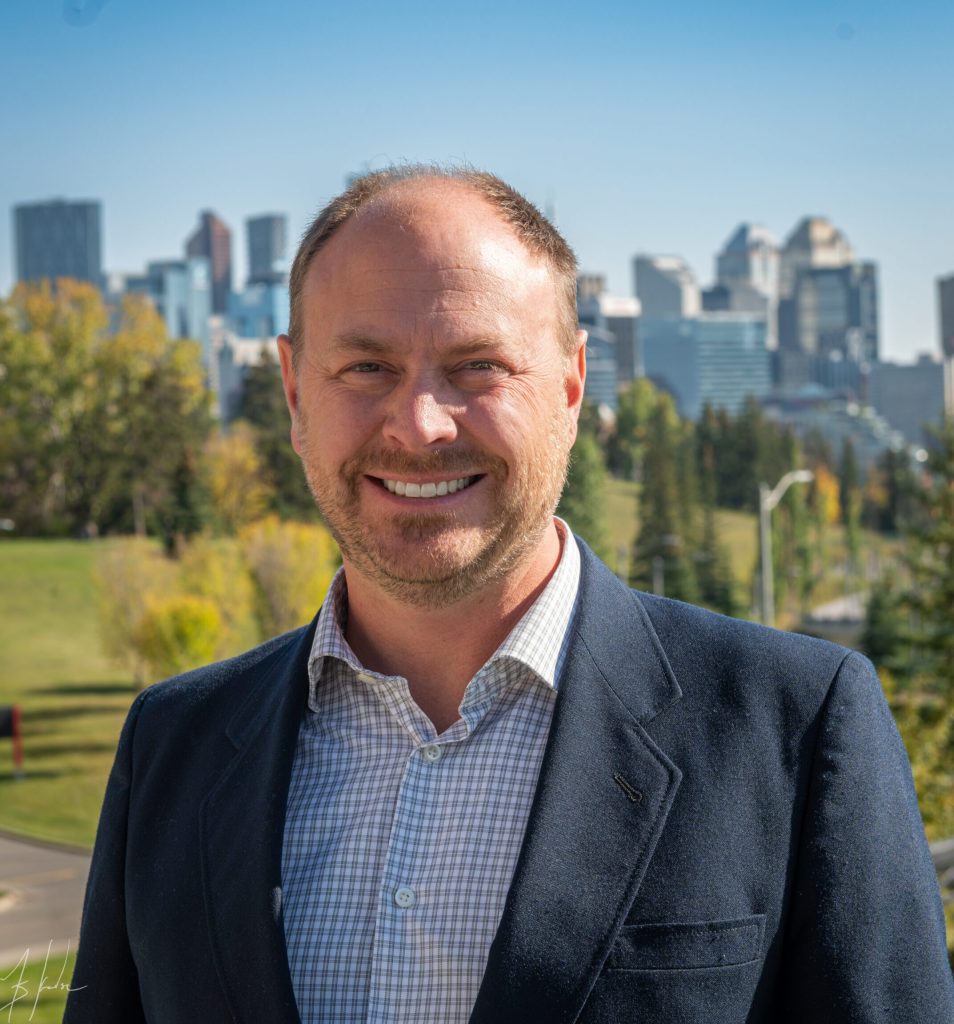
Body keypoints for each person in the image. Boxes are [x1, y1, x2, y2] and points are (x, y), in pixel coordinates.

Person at [65, 166, 954, 1024]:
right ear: (295, 392)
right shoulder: (170, 747)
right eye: (366, 367)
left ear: (570, 386)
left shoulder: (796, 726)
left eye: (478, 366)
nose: (421, 425)